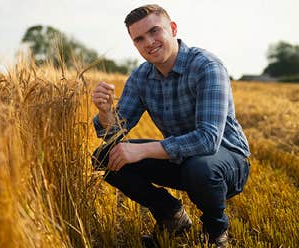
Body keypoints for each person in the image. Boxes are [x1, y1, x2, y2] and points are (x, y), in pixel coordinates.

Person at [91, 4, 250, 248]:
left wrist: (142, 150)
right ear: (135, 44)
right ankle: (170, 214)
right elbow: (113, 133)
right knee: (105, 156)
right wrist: (104, 113)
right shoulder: (140, 77)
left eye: (155, 31)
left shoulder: (207, 67)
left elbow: (208, 140)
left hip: (226, 161)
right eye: (139, 38)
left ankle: (216, 230)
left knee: (200, 168)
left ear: (172, 29)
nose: (149, 42)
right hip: (182, 160)